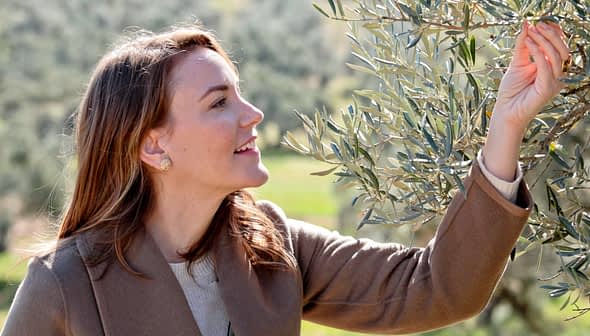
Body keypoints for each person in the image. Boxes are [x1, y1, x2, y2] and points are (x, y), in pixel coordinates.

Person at [1, 19, 569, 336]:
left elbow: (437, 288)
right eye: (219, 102)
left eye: (241, 94)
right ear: (153, 144)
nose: (252, 115)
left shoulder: (271, 246)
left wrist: (505, 128)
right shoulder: (64, 285)